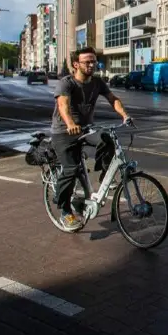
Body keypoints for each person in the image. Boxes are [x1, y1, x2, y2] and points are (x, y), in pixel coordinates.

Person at [51, 47, 131, 230]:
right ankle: (64, 210)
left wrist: (125, 115)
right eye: (87, 62)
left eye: (94, 61)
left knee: (107, 139)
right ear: (76, 64)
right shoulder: (66, 83)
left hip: (86, 129)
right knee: (71, 170)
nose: (91, 65)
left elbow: (113, 99)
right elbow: (63, 104)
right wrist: (70, 123)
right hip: (64, 132)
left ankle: (105, 176)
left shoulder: (97, 82)